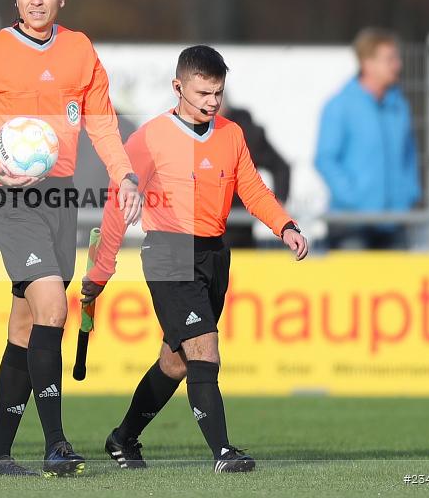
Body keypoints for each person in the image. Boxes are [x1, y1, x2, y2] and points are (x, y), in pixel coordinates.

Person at [0, 0, 141, 477]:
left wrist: (124, 174)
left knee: (26, 324)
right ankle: (56, 443)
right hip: (11, 198)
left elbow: (101, 124)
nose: (36, 0)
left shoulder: (79, 50)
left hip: (60, 197)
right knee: (53, 304)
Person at [82, 45, 308, 473]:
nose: (211, 102)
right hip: (168, 251)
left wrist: (285, 226)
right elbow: (117, 204)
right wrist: (101, 269)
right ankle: (223, 452)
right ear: (178, 88)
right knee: (205, 350)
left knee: (177, 361)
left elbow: (254, 189)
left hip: (213, 253)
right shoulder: (149, 137)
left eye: (217, 93)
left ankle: (123, 437)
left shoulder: (231, 134)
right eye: (202, 93)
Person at [315, 27, 420, 249]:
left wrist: (409, 193)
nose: (397, 65)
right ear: (367, 63)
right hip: (352, 225)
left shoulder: (399, 106)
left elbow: (409, 156)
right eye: (389, 59)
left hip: (394, 222)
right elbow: (325, 159)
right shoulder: (340, 105)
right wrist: (355, 198)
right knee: (354, 283)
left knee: (398, 283)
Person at [220, 102, 290, 248]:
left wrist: (277, 210)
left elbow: (280, 168)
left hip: (238, 229)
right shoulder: (185, 133)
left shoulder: (246, 133)